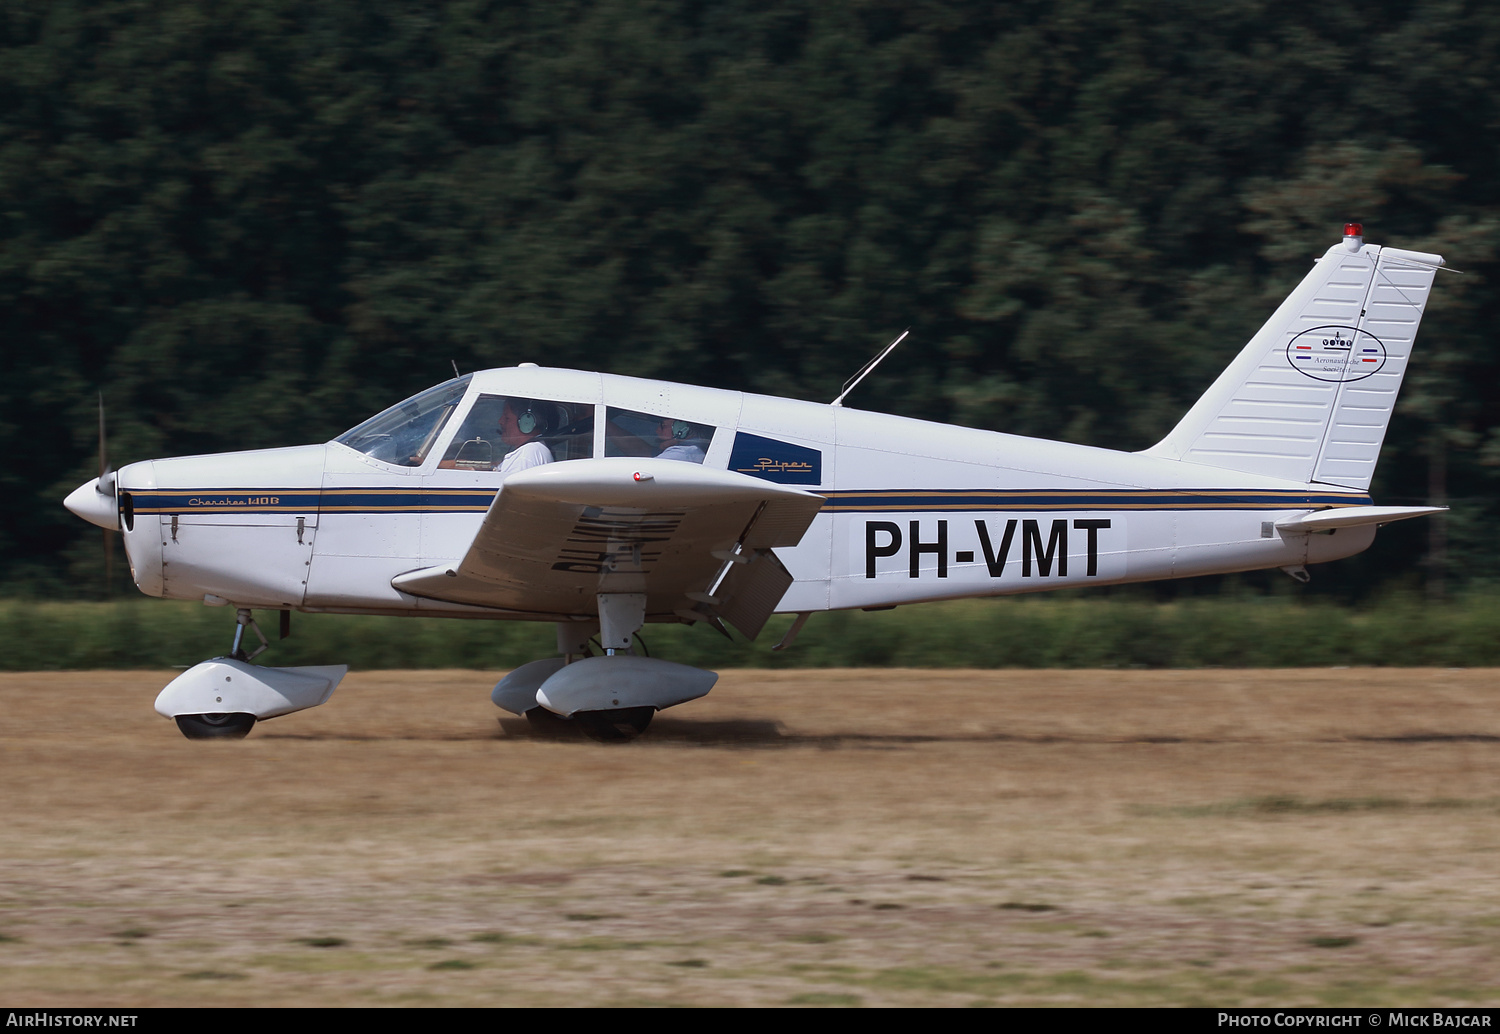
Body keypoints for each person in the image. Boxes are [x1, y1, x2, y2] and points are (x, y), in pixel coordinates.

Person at [495, 400, 554, 475]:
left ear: (526, 422)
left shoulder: (526, 455)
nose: (500, 421)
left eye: (507, 418)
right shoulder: (535, 449)